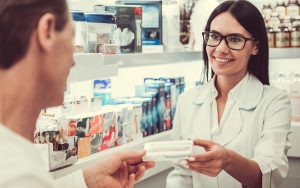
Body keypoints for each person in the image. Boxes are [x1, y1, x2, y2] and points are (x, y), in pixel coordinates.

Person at [0, 0, 154, 187]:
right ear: (47, 31)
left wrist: (86, 181)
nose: (73, 61)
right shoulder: (18, 175)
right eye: (71, 38)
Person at [166, 1, 291, 188]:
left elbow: (267, 177)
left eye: (234, 39)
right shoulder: (187, 100)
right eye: (214, 36)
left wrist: (228, 160)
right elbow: (182, 173)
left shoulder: (275, 102)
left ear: (255, 46)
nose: (221, 48)